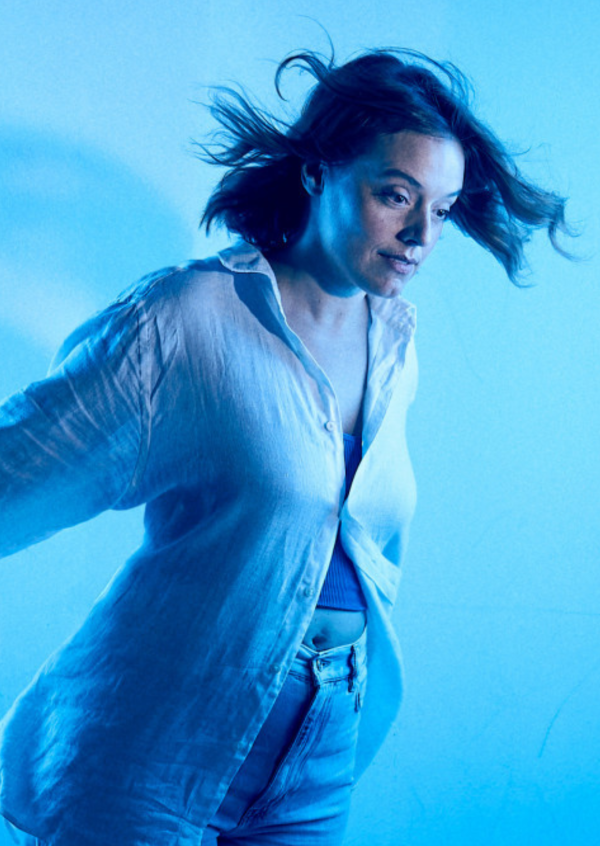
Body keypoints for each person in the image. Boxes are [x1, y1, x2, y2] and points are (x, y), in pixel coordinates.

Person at [0, 48, 571, 846]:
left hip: (321, 750)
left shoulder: (394, 344)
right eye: (395, 195)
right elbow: (21, 467)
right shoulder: (192, 317)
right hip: (160, 741)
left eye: (441, 211)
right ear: (316, 171)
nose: (420, 235)